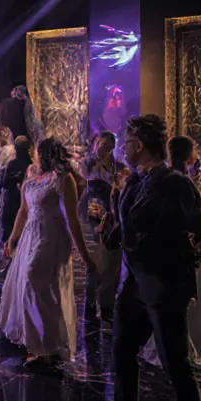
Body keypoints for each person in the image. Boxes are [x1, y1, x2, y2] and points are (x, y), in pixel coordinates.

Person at [82, 115, 201, 401]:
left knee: (175, 363)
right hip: (135, 283)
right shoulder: (135, 181)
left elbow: (196, 227)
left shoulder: (173, 183)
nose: (123, 148)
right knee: (122, 349)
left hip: (164, 286)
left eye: (127, 142)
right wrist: (109, 218)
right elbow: (120, 233)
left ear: (139, 146)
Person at [0, 139, 95, 371]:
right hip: (31, 236)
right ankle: (38, 344)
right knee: (30, 287)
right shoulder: (32, 176)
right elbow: (23, 211)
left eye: (38, 151)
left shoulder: (64, 179)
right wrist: (12, 238)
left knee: (34, 281)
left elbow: (72, 219)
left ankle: (48, 346)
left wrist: (84, 254)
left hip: (52, 237)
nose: (34, 154)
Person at [142, 137, 201, 369]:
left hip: (168, 246)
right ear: (189, 155)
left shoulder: (165, 179)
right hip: (188, 246)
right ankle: (200, 345)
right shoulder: (184, 182)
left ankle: (175, 345)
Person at [81, 131, 125, 324]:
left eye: (108, 146)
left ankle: (107, 306)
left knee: (110, 262)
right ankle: (90, 306)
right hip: (91, 214)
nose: (104, 149)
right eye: (102, 144)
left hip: (110, 215)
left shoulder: (117, 167)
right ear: (96, 143)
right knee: (93, 262)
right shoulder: (87, 163)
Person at [1, 137, 33, 243]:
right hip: (16, 203)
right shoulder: (30, 165)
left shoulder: (30, 166)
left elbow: (5, 183)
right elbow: (5, 183)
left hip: (18, 204)